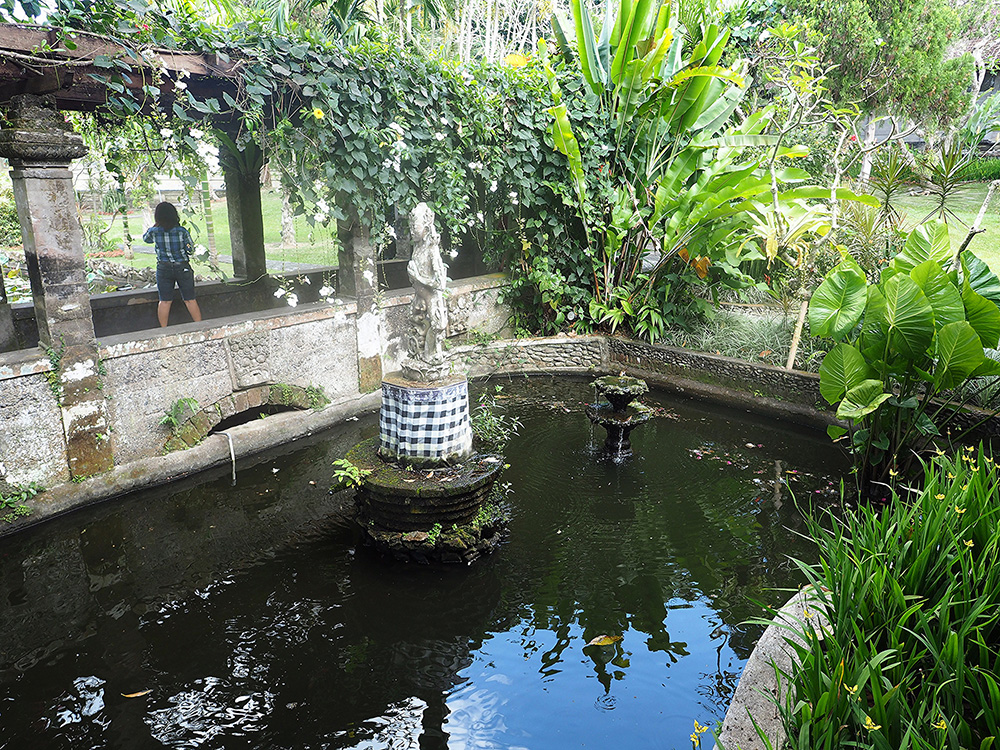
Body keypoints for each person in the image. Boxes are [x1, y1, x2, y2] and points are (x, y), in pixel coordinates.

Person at [143, 202, 203, 327]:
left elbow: (146, 239)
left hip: (163, 268)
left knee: (164, 301)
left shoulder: (154, 231)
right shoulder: (182, 231)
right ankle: (200, 327)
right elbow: (190, 249)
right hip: (182, 267)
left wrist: (156, 225)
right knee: (190, 299)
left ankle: (164, 330)